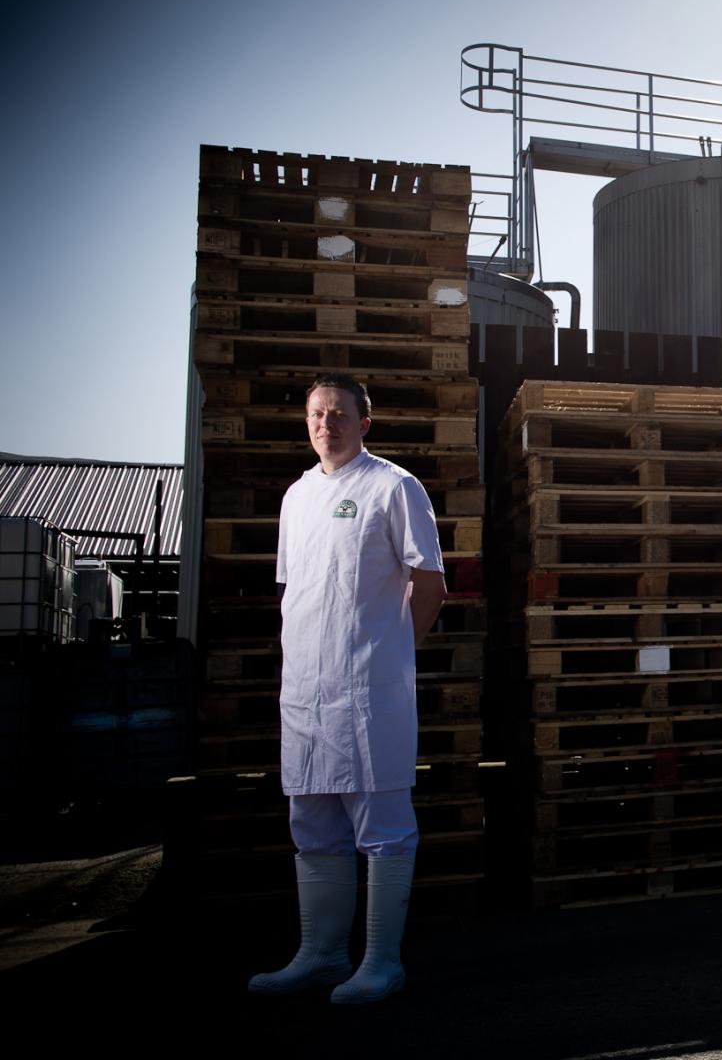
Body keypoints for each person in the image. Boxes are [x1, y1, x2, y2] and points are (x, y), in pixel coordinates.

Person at [247, 373, 447, 1004]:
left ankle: (381, 962)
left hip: (369, 688)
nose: (325, 424)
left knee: (382, 823)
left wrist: (394, 654)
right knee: (312, 820)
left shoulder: (393, 487)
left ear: (366, 421)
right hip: (306, 687)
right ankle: (322, 952)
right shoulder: (297, 496)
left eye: (338, 413)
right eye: (315, 414)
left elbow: (431, 580)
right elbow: (297, 589)